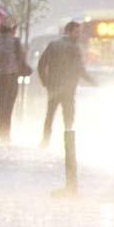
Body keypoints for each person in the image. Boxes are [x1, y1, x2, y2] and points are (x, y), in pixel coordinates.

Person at [38, 21, 96, 149]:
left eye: (79, 32)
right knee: (68, 116)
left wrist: (45, 82)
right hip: (69, 88)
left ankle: (45, 141)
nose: (79, 35)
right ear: (69, 32)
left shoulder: (53, 45)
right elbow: (80, 69)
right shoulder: (74, 48)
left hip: (53, 86)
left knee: (50, 114)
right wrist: (94, 82)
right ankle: (68, 144)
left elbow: (41, 64)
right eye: (77, 32)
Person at [0, 20, 24, 143]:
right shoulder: (15, 42)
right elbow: (21, 59)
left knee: (0, 105)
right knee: (8, 107)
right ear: (12, 29)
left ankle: (1, 133)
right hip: (11, 76)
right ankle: (6, 134)